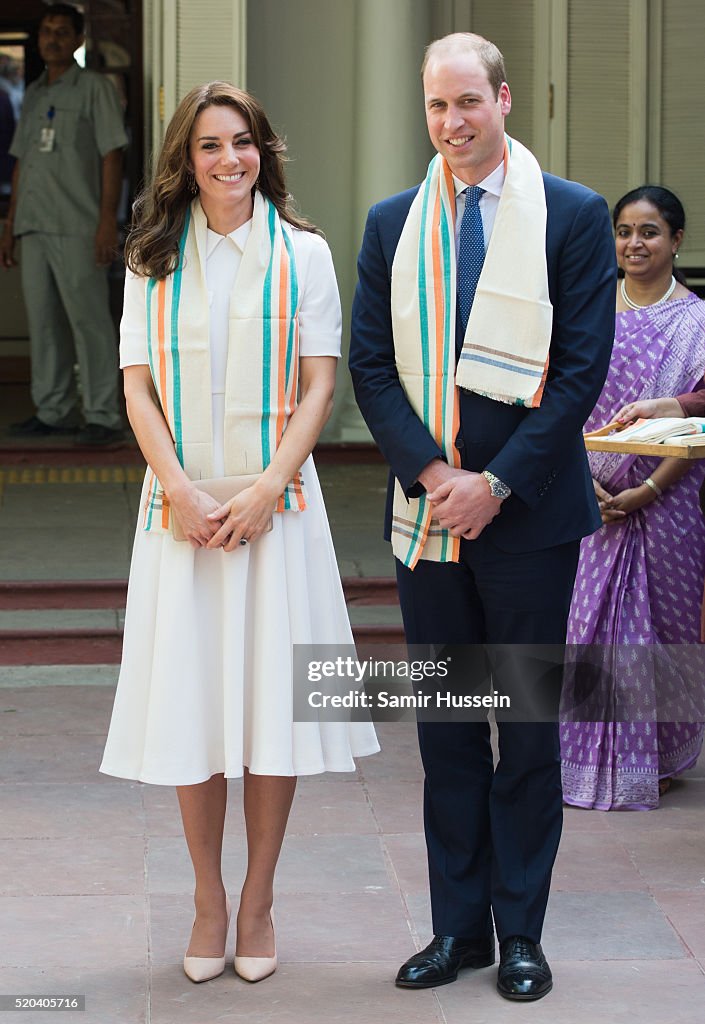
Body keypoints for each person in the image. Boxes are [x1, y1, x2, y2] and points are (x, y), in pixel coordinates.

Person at [349, 32, 615, 1002]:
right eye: (435, 106)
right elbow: (371, 366)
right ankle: (457, 927)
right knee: (449, 730)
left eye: (468, 102)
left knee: (526, 729)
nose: (451, 123)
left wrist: (492, 483)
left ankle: (522, 933)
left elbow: (581, 370)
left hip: (530, 516)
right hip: (428, 517)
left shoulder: (574, 218)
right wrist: (432, 475)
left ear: (504, 99)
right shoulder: (392, 224)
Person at [99, 81, 378, 984]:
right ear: (186, 158)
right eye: (211, 145)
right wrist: (178, 489)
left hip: (277, 518)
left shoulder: (305, 252)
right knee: (195, 706)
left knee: (272, 712)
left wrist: (265, 491)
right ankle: (205, 899)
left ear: (265, 150)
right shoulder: (152, 257)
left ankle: (257, 900)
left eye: (243, 142)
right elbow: (137, 387)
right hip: (179, 519)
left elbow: (319, 387)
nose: (230, 160)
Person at [561, 187, 705, 810]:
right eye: (624, 231)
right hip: (584, 494)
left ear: (676, 240)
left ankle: (655, 754)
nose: (635, 244)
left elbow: (696, 424)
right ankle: (586, 755)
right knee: (585, 628)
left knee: (665, 633)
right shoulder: (588, 313)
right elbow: (560, 400)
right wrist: (581, 482)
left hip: (669, 501)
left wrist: (645, 489)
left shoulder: (696, 323)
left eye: (650, 232)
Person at [0, 3, 127, 446]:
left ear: (77, 40)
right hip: (34, 226)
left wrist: (107, 222)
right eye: (46, 32)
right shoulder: (34, 92)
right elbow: (21, 163)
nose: (52, 39)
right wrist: (11, 222)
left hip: (79, 225)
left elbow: (114, 155)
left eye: (61, 32)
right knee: (44, 322)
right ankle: (52, 410)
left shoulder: (95, 89)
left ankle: (103, 415)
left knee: (89, 322)